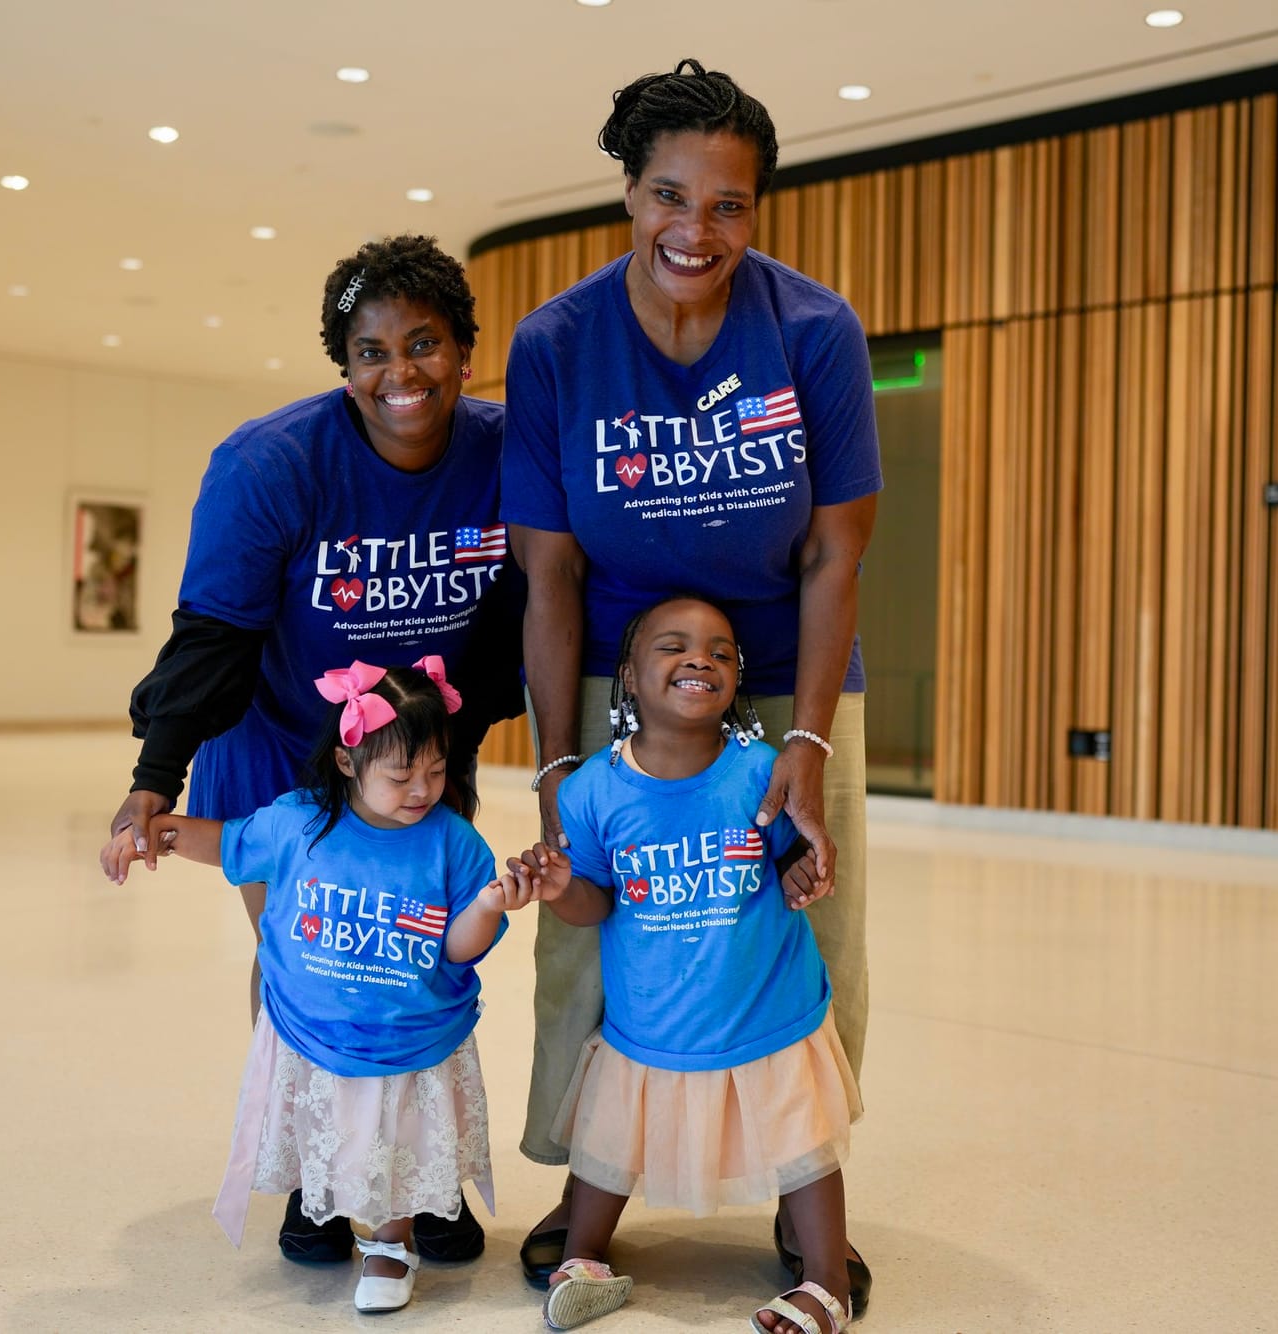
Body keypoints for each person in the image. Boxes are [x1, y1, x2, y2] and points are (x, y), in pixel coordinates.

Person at [500, 59, 880, 1307]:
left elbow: (834, 550)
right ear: (627, 192)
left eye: (728, 205)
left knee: (807, 920)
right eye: (670, 196)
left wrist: (807, 745)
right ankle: (587, 1180)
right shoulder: (556, 343)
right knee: (592, 928)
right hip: (622, 679)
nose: (695, 231)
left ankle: (799, 1182)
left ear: (756, 210)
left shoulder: (812, 329)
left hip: (784, 673)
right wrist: (557, 768)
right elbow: (547, 576)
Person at [110, 234, 518, 1264]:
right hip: (283, 748)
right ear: (343, 363)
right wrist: (151, 781)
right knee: (312, 965)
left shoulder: (509, 451)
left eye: (424, 342)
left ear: (466, 349)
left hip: (417, 758)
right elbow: (211, 631)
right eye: (370, 350)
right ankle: (318, 1181)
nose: (400, 373)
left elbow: (536, 612)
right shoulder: (271, 461)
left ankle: (423, 1181)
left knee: (424, 957)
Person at [100, 661, 536, 1314]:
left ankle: (392, 1242)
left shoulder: (453, 842)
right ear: (345, 760)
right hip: (315, 1029)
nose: (422, 789)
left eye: (436, 771)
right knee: (329, 1125)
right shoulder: (299, 822)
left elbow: (458, 948)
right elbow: (225, 842)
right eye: (401, 774)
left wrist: (491, 906)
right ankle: (321, 1203)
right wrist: (154, 834)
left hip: (406, 1037)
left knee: (396, 1138)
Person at [505, 597, 861, 1334]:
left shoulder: (762, 770)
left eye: (722, 653)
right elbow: (595, 904)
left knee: (802, 1143)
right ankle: (586, 1263)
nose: (702, 659)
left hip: (764, 1008)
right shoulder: (591, 791)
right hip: (650, 1016)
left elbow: (797, 861)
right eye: (674, 647)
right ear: (627, 678)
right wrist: (559, 886)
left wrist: (805, 874)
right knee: (608, 1144)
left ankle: (828, 1282)